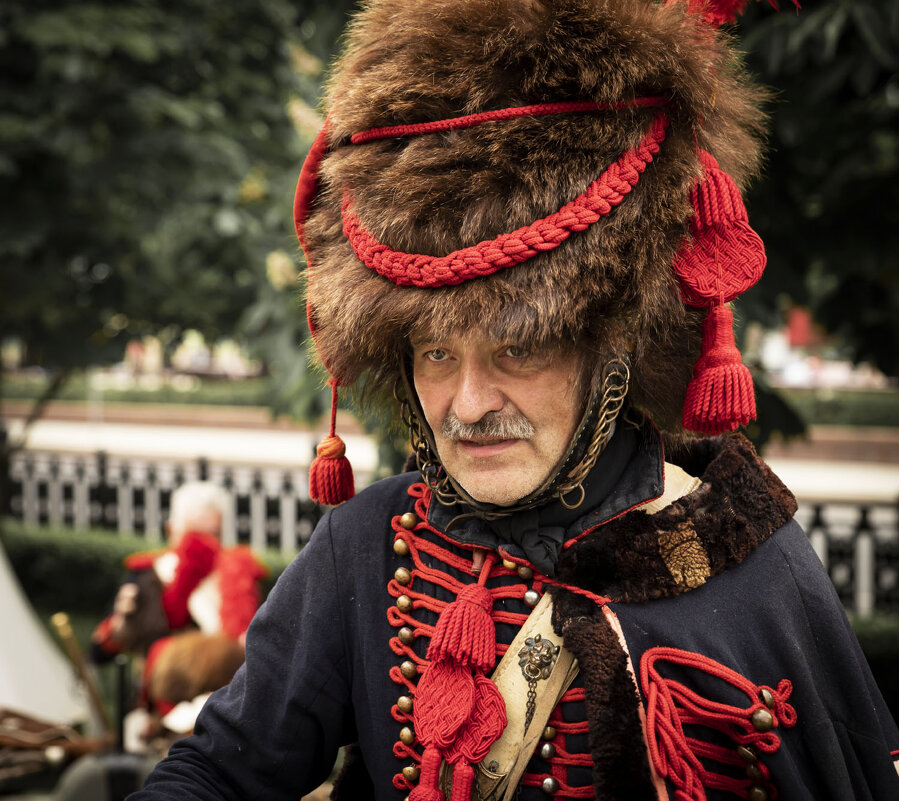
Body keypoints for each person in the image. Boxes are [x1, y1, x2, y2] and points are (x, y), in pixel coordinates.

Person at [131, 1, 899, 799]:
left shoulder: (751, 557)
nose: (466, 404)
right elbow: (218, 769)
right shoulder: (362, 545)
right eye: (436, 353)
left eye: (518, 347)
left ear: (612, 345)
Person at [92, 481, 265, 745]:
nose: (203, 545)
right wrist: (120, 626)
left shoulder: (237, 575)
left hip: (224, 701)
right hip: (159, 710)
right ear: (172, 530)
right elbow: (100, 651)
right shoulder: (149, 573)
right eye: (195, 534)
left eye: (213, 534)